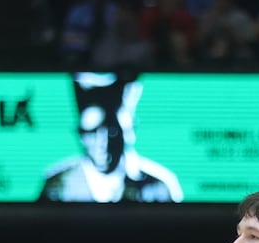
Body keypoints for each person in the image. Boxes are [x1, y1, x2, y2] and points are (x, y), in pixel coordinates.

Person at [41, 73, 182, 203]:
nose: (102, 143)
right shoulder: (58, 186)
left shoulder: (157, 187)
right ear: (80, 135)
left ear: (128, 132)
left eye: (111, 131)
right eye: (91, 133)